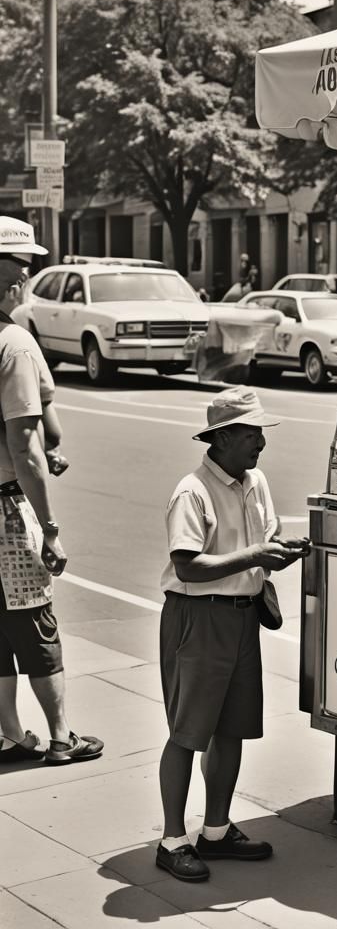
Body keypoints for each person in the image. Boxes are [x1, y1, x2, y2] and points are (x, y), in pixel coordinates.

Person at [156, 387, 310, 882]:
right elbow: (187, 566)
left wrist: (281, 551)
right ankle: (172, 840)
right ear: (221, 438)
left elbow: (263, 542)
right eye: (250, 433)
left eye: (260, 433)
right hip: (199, 618)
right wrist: (255, 557)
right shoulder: (192, 491)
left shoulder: (255, 481)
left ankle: (217, 830)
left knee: (232, 727)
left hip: (243, 616)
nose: (260, 442)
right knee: (188, 732)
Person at [0, 217, 103, 766]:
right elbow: (26, 446)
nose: (26, 279)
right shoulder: (14, 343)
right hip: (6, 509)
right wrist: (50, 529)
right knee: (34, 621)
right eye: (23, 270)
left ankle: (9, 733)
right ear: (13, 280)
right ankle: (61, 737)